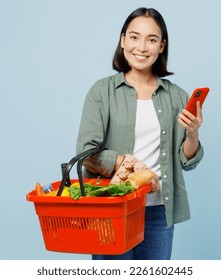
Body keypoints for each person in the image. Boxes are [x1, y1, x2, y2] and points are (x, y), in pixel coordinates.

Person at [76, 7, 204, 260]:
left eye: (152, 40)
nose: (142, 47)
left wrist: (192, 134)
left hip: (158, 210)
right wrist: (126, 161)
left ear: (161, 46)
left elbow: (186, 161)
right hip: (113, 208)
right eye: (134, 37)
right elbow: (86, 153)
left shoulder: (177, 95)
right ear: (122, 40)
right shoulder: (102, 92)